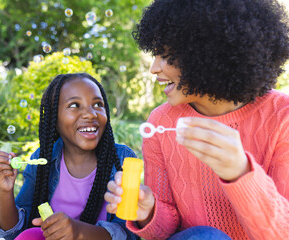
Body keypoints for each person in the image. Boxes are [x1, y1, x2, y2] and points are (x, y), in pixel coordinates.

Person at [104, 0, 289, 239]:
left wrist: (240, 172)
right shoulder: (160, 121)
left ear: (208, 52)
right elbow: (166, 230)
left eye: (166, 55)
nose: (153, 68)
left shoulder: (281, 116)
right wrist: (149, 212)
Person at [0, 73, 139, 240]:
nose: (90, 114)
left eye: (98, 104)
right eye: (75, 105)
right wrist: (4, 191)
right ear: (54, 117)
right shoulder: (42, 159)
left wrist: (78, 232)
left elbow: (129, 234)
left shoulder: (121, 159)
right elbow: (15, 232)